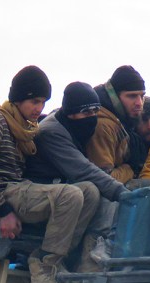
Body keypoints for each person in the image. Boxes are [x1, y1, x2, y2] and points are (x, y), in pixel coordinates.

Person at [0, 65, 98, 283]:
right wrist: (3, 210)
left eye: (43, 102)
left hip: (16, 190)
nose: (39, 108)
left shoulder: (23, 128)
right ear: (18, 99)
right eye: (34, 101)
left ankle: (58, 262)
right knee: (70, 195)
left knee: (89, 192)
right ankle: (44, 270)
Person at [25, 82, 127, 268]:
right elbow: (82, 169)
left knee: (92, 191)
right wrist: (121, 192)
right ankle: (48, 262)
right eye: (87, 113)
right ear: (71, 114)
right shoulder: (51, 132)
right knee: (94, 191)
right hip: (39, 190)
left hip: (59, 187)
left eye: (96, 111)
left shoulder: (74, 125)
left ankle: (68, 256)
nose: (93, 118)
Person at [86, 65, 146, 184]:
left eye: (142, 96)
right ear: (114, 96)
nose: (139, 103)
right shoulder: (103, 125)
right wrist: (131, 168)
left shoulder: (122, 121)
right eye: (132, 96)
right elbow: (105, 180)